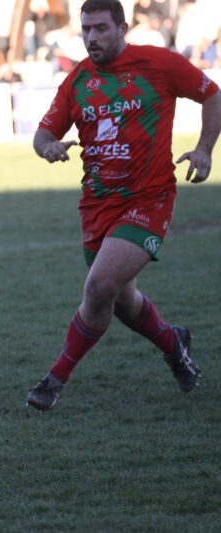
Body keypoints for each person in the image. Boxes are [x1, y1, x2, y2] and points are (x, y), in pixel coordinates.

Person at [27, 0, 221, 411]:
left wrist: (205, 150)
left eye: (100, 28)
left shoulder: (159, 64)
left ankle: (54, 379)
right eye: (86, 30)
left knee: (98, 288)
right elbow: (42, 135)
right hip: (97, 206)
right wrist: (49, 149)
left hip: (149, 200)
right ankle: (173, 343)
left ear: (122, 28)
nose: (92, 38)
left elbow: (212, 95)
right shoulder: (78, 81)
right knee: (120, 300)